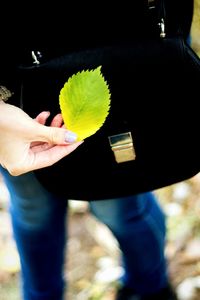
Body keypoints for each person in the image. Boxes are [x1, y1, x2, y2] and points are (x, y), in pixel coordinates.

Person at [0, 0, 194, 299]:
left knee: (119, 206)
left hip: (127, 59)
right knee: (34, 211)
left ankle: (150, 288)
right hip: (13, 92)